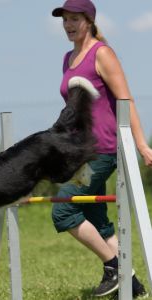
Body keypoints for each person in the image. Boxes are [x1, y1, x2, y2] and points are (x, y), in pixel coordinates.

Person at [50, 0, 152, 298]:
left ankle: (113, 266)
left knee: (63, 208)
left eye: (74, 19)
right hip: (78, 151)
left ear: (89, 20)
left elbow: (125, 100)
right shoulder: (68, 58)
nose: (68, 25)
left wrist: (141, 144)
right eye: (65, 20)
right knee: (96, 219)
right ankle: (131, 285)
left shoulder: (102, 54)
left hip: (103, 150)